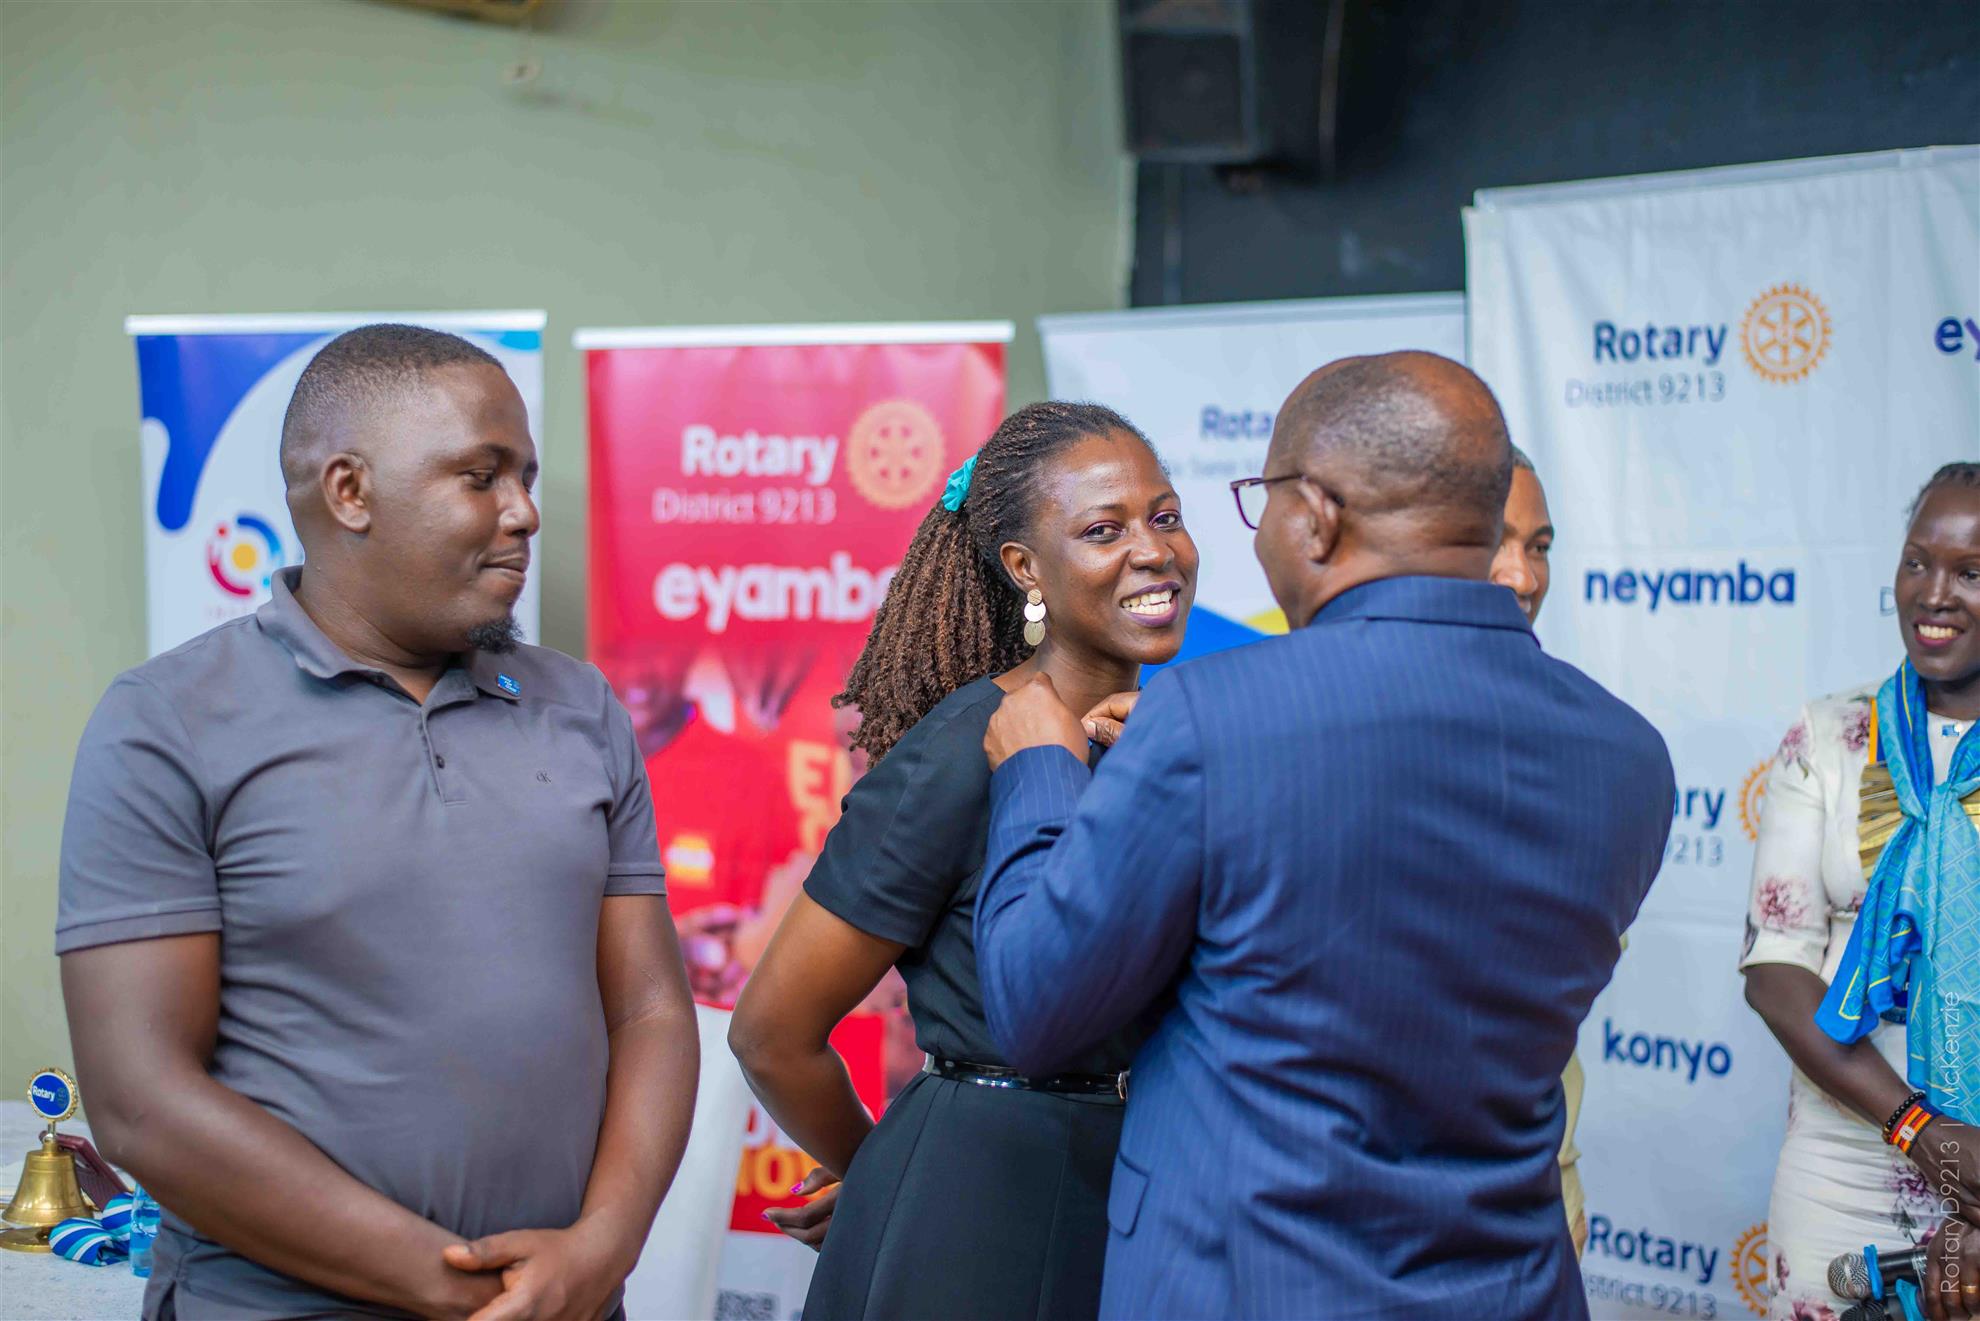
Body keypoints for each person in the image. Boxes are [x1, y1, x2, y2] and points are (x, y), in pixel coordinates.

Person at [974, 351, 1674, 1320]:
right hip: (1511, 1287)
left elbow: (1033, 1006)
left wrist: (1041, 772)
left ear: (1316, 514)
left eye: (1262, 501)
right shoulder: (1629, 755)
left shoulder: (1213, 717)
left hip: (1248, 1284)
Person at [56, 325, 699, 1320]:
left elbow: (651, 1010)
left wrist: (599, 1252)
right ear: (350, 491)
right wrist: (461, 1290)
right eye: (481, 475)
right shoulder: (168, 721)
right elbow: (142, 1103)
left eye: (525, 476)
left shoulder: (582, 709)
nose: (524, 511)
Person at [726, 401, 1198, 1319]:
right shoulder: (962, 746)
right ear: (1025, 567)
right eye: (1104, 530)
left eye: (1166, 516)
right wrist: (882, 1175)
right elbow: (772, 1030)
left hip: (1154, 1190)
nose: (1154, 551)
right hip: (983, 1206)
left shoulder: (1182, 738)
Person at [1742, 463, 1980, 1321]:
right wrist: (1921, 1130)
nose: (1934, 594)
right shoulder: (1833, 735)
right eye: (1918, 562)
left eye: (1970, 572)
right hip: (1842, 1168)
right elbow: (1776, 970)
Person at [1488, 445, 1600, 1261]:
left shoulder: (1587, 742)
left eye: (1540, 546)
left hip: (1533, 1196)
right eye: (1495, 541)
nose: (1524, 576)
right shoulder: (1319, 719)